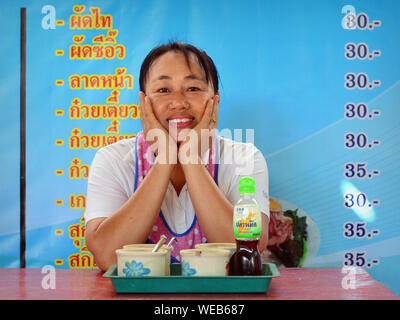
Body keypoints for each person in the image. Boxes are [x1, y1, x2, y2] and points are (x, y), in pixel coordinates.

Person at [84, 42, 270, 271]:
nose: (179, 102)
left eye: (193, 88)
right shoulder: (113, 159)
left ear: (215, 101)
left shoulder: (244, 157)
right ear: (143, 103)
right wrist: (165, 160)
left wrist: (190, 158)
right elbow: (107, 257)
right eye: (163, 90)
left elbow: (246, 254)